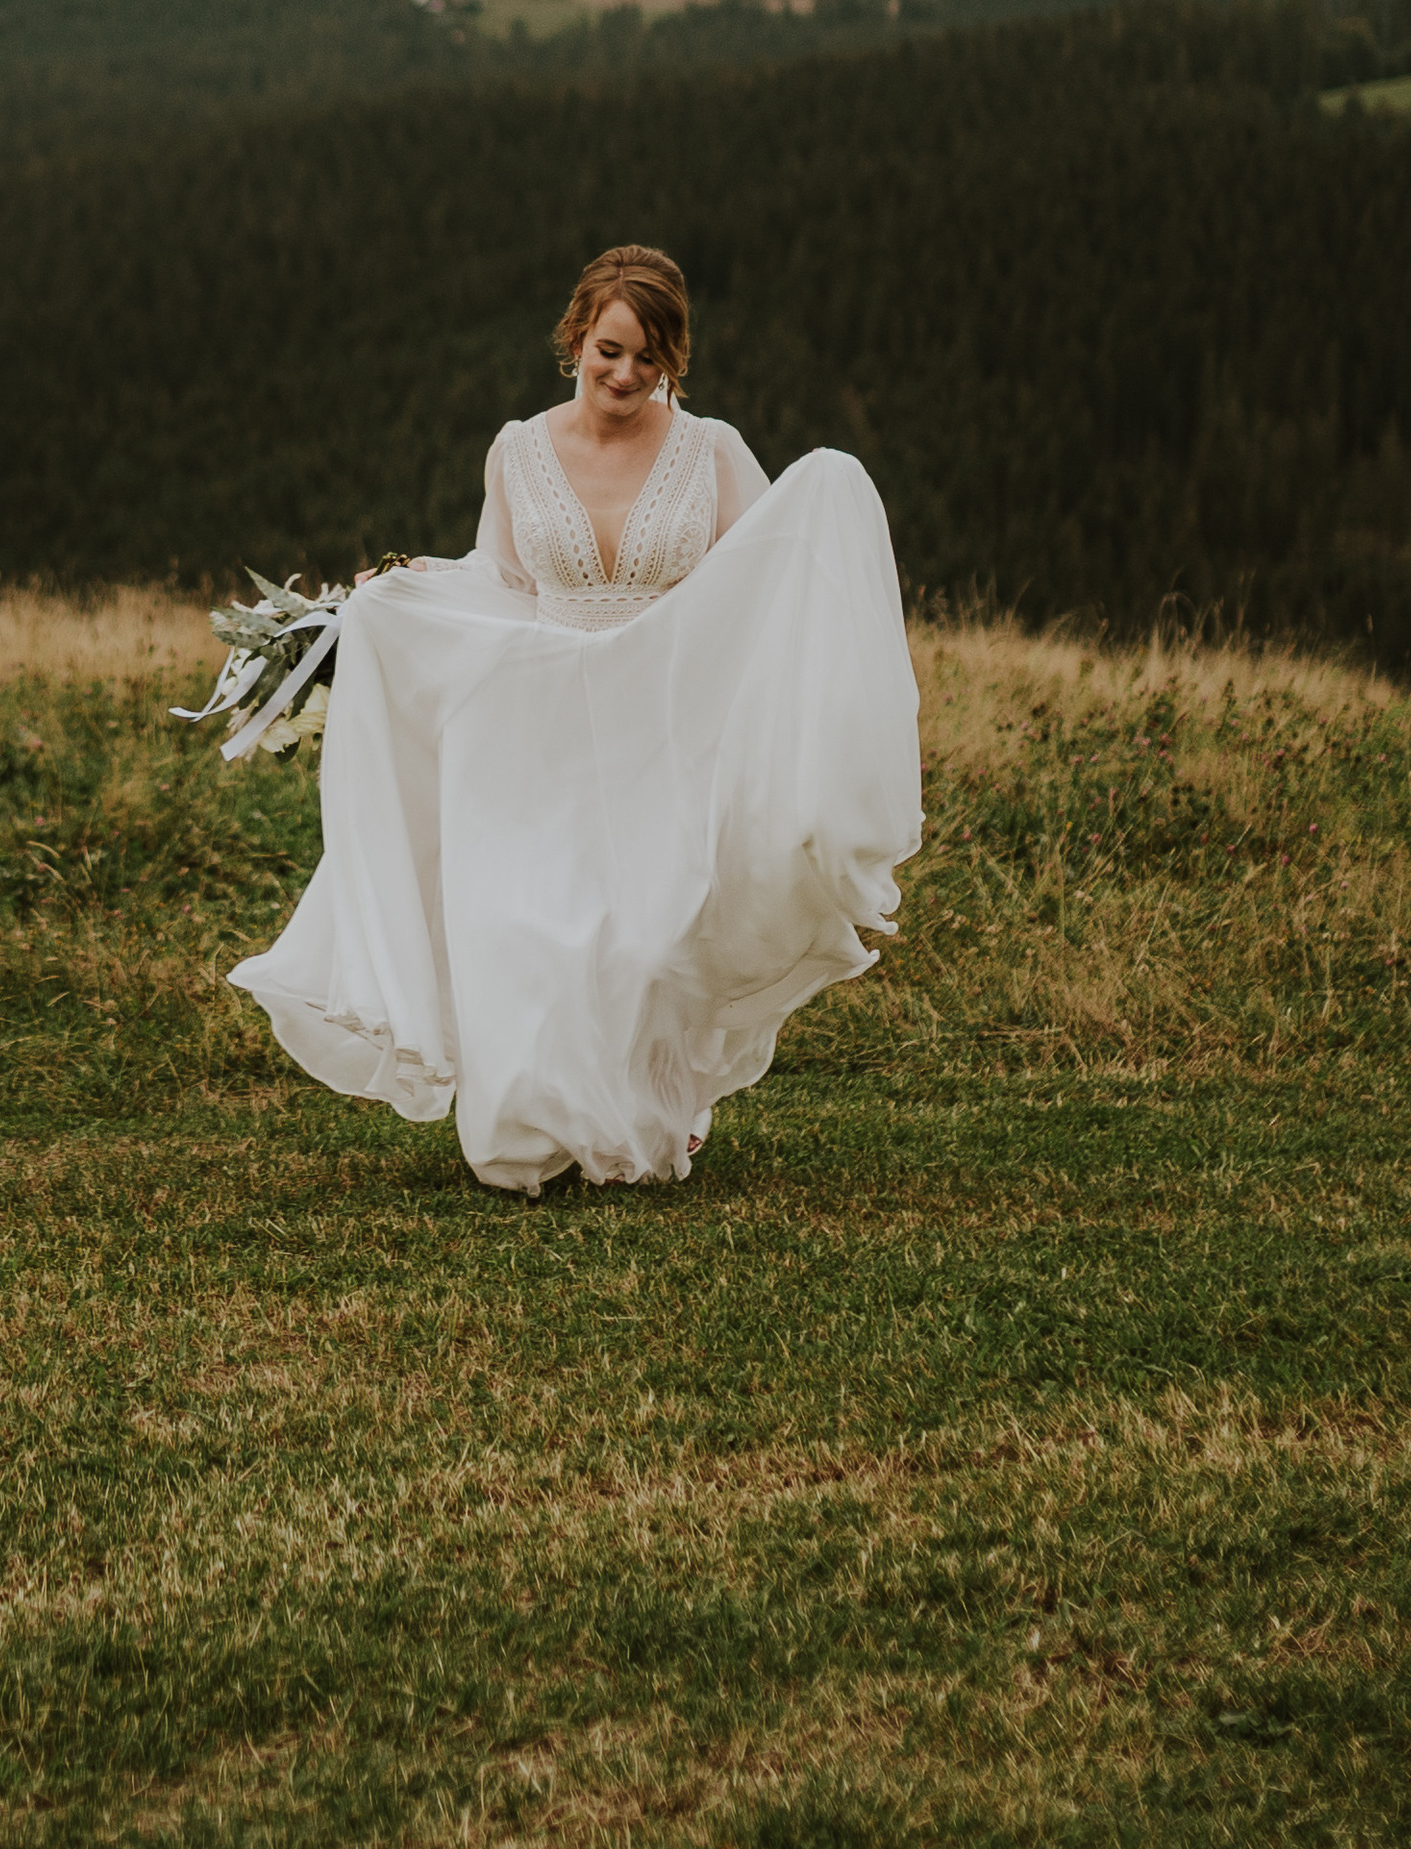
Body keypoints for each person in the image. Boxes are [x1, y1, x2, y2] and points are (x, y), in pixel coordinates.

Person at [227, 244, 921, 1192]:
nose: (627, 374)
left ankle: (656, 1113)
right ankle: (538, 1128)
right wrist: (407, 596)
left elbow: (761, 574)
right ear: (575, 338)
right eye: (609, 350)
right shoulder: (517, 449)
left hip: (668, 727)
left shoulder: (710, 451)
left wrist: (829, 495)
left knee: (645, 938)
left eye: (650, 357)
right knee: (539, 930)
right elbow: (507, 584)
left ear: (673, 357)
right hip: (544, 721)